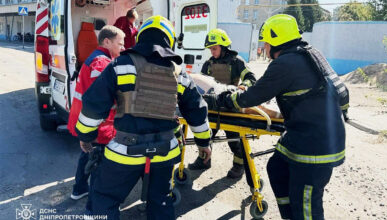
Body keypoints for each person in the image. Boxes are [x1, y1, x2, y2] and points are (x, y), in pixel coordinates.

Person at [208, 14, 349, 220]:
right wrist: (337, 114)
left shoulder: (285, 64)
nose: (264, 47)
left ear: (276, 40)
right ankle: (290, 216)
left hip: (314, 146)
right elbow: (343, 91)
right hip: (306, 134)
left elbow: (253, 96)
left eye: (266, 41)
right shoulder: (312, 54)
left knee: (307, 203)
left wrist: (225, 100)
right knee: (276, 168)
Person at [75, 15, 212, 220]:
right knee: (161, 202)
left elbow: (93, 106)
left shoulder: (120, 65)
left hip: (124, 152)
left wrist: (85, 136)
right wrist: (203, 143)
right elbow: (197, 111)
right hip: (164, 153)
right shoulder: (178, 73)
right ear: (169, 40)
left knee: (104, 199)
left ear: (141, 38)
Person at [68, 25, 125, 212]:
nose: (123, 48)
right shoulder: (103, 63)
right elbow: (102, 101)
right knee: (98, 165)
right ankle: (93, 207)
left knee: (87, 155)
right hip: (99, 125)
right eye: (120, 43)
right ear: (107, 41)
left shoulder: (95, 58)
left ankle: (79, 189)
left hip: (87, 122)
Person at [188, 28, 256, 180]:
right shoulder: (208, 64)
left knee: (235, 139)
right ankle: (204, 160)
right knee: (206, 136)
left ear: (224, 46)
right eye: (210, 49)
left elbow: (251, 78)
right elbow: (202, 82)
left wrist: (243, 86)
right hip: (212, 107)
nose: (212, 52)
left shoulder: (237, 62)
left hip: (231, 107)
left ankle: (239, 166)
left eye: (214, 48)